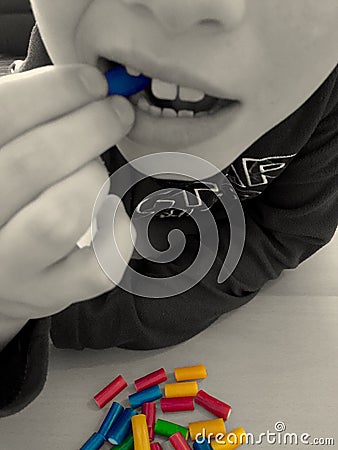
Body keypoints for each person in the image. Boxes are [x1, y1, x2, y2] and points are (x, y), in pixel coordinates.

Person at [0, 0, 337, 417]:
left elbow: (284, 234)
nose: (176, 9)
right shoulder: (60, 60)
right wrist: (10, 315)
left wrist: (79, 315)